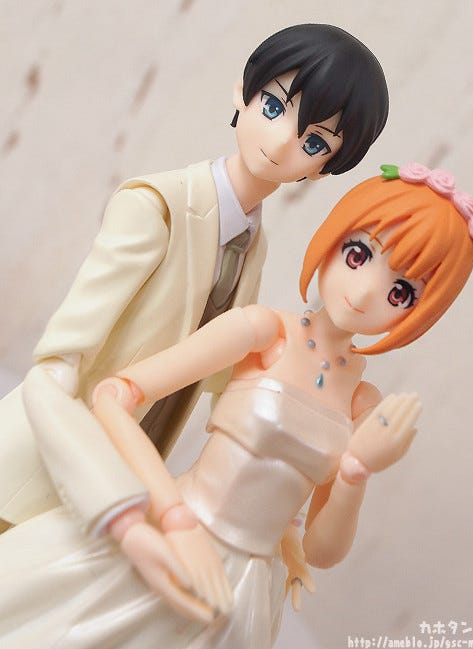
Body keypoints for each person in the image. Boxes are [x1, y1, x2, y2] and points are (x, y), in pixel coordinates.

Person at [0, 164, 473, 648]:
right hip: (173, 528)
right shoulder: (263, 332)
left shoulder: (363, 403)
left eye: (400, 292)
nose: (363, 292)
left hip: (244, 593)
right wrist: (172, 518)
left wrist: (355, 472)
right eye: (358, 254)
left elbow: (320, 550)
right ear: (333, 236)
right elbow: (116, 394)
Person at [0, 24, 389, 538]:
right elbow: (64, 351)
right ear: (242, 92)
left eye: (313, 141)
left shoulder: (254, 247)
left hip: (133, 460)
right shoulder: (157, 207)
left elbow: (226, 377)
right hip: (46, 458)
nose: (281, 141)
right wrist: (74, 451)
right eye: (274, 107)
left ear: (324, 168)